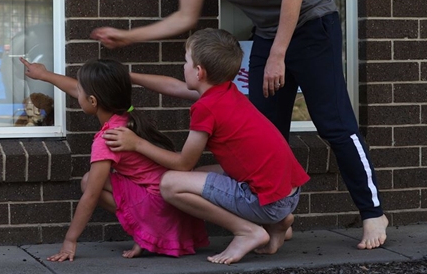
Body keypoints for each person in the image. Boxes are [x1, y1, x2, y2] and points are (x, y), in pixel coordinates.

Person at [91, 0, 388, 250]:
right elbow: (185, 17)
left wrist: (277, 56)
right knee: (264, 129)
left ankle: (373, 212)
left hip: (312, 25)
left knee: (333, 122)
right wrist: (128, 37)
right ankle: (278, 218)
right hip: (269, 32)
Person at [103, 28, 309, 265]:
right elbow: (174, 87)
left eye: (186, 61)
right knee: (195, 177)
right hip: (288, 193)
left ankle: (246, 231)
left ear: (199, 72)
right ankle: (278, 225)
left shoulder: (206, 108)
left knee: (170, 183)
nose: (184, 66)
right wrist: (128, 76)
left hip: (267, 201)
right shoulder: (226, 91)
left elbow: (183, 162)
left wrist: (136, 143)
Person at [19, 57, 209, 262]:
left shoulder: (108, 138)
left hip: (161, 210)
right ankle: (147, 233)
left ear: (93, 101)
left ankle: (147, 232)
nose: (77, 93)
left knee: (89, 182)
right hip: (169, 205)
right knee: (93, 179)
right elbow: (82, 90)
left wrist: (70, 240)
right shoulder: (126, 115)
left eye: (81, 92)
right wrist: (45, 75)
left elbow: (91, 196)